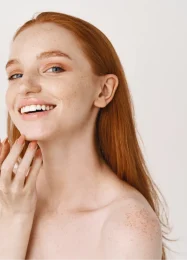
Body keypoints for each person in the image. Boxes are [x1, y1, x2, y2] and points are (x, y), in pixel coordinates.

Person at [0, 11, 170, 260]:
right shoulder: (7, 200)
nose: (26, 86)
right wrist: (13, 220)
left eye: (54, 68)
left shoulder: (128, 226)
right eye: (16, 74)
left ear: (103, 90)